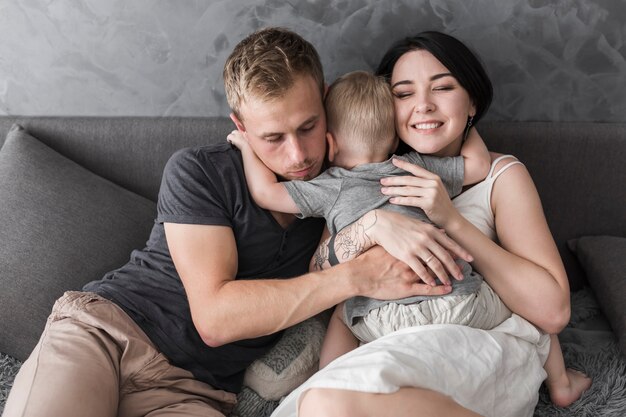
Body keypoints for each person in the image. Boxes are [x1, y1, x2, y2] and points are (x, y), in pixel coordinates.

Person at [2, 27, 472, 417]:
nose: (299, 156)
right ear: (240, 127)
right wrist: (354, 273)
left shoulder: (349, 188)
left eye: (308, 126)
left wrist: (375, 222)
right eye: (273, 137)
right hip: (106, 335)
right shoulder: (200, 170)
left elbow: (451, 138)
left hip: (193, 393)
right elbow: (217, 319)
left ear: (325, 99)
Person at [271, 31, 591, 417]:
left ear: (471, 100)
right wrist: (371, 226)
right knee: (318, 404)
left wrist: (450, 219)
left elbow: (553, 312)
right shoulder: (369, 179)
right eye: (404, 94)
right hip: (389, 344)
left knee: (327, 404)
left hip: (477, 345)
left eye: (442, 88)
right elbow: (320, 269)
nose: (422, 105)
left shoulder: (501, 177)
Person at [227, 69, 509, 346]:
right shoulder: (413, 165)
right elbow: (479, 165)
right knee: (520, 320)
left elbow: (265, 194)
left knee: (341, 316)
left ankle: (324, 380)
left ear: (330, 143)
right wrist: (466, 121)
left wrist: (246, 145)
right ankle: (554, 370)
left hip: (383, 316)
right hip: (455, 298)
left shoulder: (331, 185)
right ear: (395, 140)